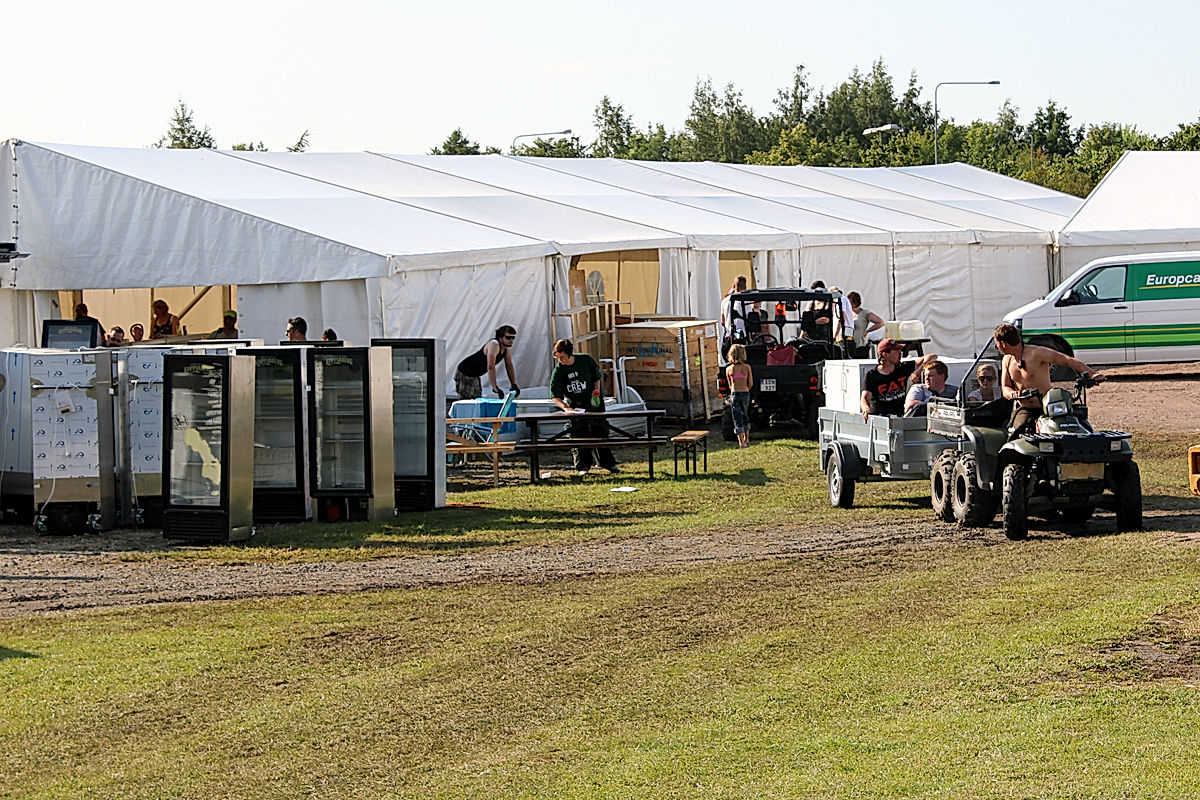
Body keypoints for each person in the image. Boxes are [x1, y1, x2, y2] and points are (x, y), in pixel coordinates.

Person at [993, 322, 1103, 438]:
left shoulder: (1037, 353)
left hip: (1049, 407)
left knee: (1076, 429)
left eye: (997, 345)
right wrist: (1012, 394)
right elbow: (1005, 387)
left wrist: (1092, 374)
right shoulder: (1007, 360)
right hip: (1026, 408)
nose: (998, 348)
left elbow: (1067, 360)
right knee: (1017, 431)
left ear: (1003, 344)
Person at [550, 338, 619, 475]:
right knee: (578, 434)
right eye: (558, 358)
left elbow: (596, 377)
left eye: (563, 357)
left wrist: (596, 392)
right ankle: (582, 466)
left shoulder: (586, 360)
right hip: (575, 407)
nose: (561, 361)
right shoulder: (559, 371)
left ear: (570, 353)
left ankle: (608, 464)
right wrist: (565, 408)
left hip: (594, 405)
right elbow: (555, 396)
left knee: (601, 432)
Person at [860, 338, 939, 420]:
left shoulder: (903, 367)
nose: (900, 353)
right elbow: (864, 398)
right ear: (885, 355)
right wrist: (866, 409)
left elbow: (932, 357)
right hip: (881, 418)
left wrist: (918, 371)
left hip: (901, 417)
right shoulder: (871, 375)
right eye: (896, 351)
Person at [454, 325, 519, 400]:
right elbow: (490, 367)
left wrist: (514, 384)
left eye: (513, 337)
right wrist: (495, 387)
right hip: (465, 372)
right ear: (500, 338)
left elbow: (509, 365)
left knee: (476, 398)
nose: (511, 340)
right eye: (508, 337)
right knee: (467, 400)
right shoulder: (494, 345)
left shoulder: (506, 348)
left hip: (475, 374)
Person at [725, 343, 753, 448]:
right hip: (745, 392)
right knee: (745, 415)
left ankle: (741, 442)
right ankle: (747, 439)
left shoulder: (729, 369)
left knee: (737, 417)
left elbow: (729, 385)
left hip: (735, 393)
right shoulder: (747, 367)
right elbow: (750, 383)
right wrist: (746, 388)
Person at [847, 291, 884, 358]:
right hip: (848, 345)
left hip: (860, 345)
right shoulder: (848, 313)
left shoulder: (864, 313)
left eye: (850, 302)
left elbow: (880, 322)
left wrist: (867, 331)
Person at [720, 275, 749, 342]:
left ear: (733, 286)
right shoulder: (746, 301)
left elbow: (722, 321)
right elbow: (748, 317)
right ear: (745, 287)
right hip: (741, 335)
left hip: (728, 335)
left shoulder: (725, 301)